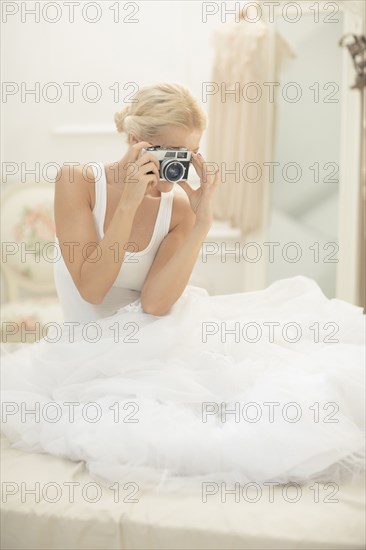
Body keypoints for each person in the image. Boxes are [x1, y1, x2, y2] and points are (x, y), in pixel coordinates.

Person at [1, 83, 364, 492]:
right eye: (170, 154)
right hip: (86, 353)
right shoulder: (79, 182)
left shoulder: (177, 208)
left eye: (188, 156)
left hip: (159, 338)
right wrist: (129, 202)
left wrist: (202, 220)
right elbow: (93, 289)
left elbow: (156, 304)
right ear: (137, 143)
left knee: (264, 403)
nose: (178, 168)